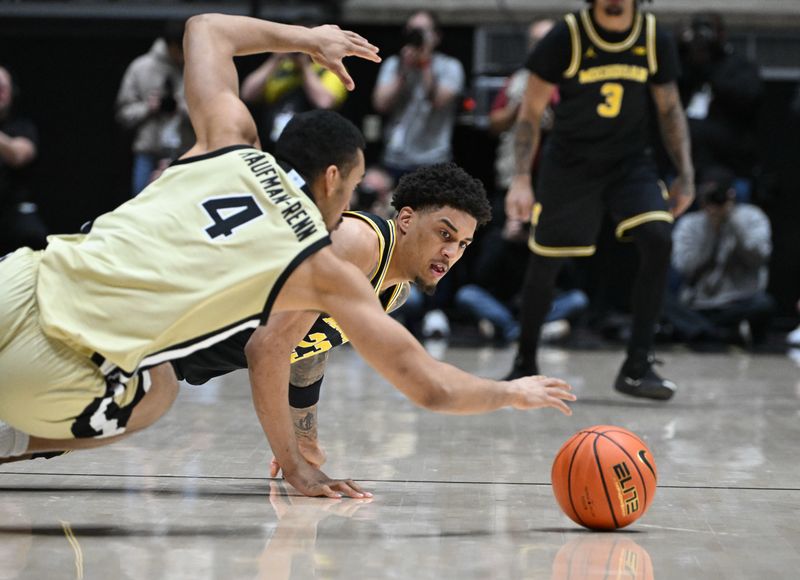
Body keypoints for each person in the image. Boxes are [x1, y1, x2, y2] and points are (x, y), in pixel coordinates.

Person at [0, 14, 575, 499]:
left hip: (25, 277)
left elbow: (205, 29)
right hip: (78, 350)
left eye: (464, 243)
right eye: (351, 191)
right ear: (332, 180)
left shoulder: (229, 142)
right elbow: (417, 384)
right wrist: (510, 392)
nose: (353, 206)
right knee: (156, 394)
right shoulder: (328, 252)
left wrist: (307, 39)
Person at [170, 161, 490, 475]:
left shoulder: (395, 292)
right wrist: (294, 465)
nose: (451, 253)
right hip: (157, 333)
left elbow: (311, 344)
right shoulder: (358, 243)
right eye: (444, 234)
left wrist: (305, 440)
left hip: (175, 358)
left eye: (462, 243)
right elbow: (266, 348)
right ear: (406, 218)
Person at [504, 0, 695, 401]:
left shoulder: (652, 35)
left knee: (659, 237)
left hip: (630, 163)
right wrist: (521, 178)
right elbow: (530, 112)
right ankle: (524, 363)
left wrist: (686, 173)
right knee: (545, 263)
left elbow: (670, 109)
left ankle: (638, 365)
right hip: (571, 164)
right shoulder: (566, 36)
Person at [670, 166, 774, 346]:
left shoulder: (752, 217)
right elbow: (684, 267)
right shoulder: (690, 224)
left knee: (764, 305)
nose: (713, 202)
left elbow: (759, 257)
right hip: (698, 304)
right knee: (659, 301)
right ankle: (718, 334)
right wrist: (711, 230)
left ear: (731, 194)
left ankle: (700, 332)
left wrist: (732, 221)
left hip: (738, 302)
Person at [372, 10, 465, 181]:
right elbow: (381, 103)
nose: (416, 36)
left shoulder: (450, 66)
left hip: (434, 158)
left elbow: (437, 100)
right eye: (412, 31)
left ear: (436, 36)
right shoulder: (395, 64)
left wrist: (425, 63)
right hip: (396, 157)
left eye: (422, 31)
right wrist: (404, 70)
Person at [115, 20, 194, 195]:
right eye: (180, 49)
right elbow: (122, 114)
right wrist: (148, 107)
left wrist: (181, 105)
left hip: (186, 154)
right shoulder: (141, 68)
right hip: (148, 153)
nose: (183, 54)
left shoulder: (196, 68)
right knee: (142, 208)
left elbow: (209, 116)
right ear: (171, 45)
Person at [240, 51, 348, 152]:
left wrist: (304, 66)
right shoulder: (281, 68)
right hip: (274, 145)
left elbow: (325, 102)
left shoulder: (329, 70)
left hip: (311, 147)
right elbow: (247, 94)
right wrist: (275, 58)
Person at [0, 65, 47, 256]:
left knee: (35, 239)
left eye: (2, 88)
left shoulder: (22, 127)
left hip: (13, 210)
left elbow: (18, 156)